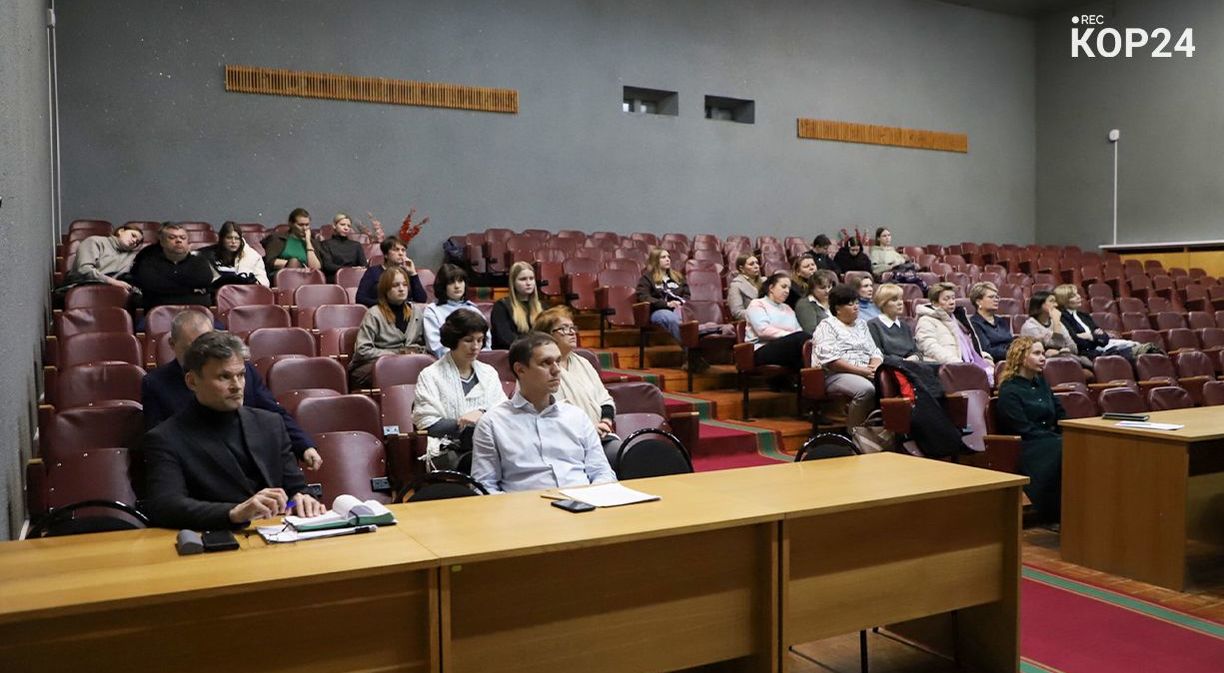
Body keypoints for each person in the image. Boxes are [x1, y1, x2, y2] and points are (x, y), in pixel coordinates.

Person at [143, 330, 327, 530]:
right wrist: (234, 513)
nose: (237, 386)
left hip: (279, 534)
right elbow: (166, 506)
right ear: (192, 381)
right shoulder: (166, 438)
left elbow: (296, 489)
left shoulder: (271, 424)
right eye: (224, 377)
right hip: (214, 538)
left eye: (241, 375)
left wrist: (303, 498)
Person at [142, 310, 322, 469]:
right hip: (197, 468)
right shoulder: (155, 383)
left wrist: (303, 445)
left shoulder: (243, 370)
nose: (200, 353)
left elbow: (272, 411)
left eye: (206, 343)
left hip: (249, 460)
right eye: (192, 347)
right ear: (172, 344)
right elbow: (160, 443)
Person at [471, 333, 617, 494]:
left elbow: (602, 472)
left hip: (585, 503)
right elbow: (484, 486)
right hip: (526, 507)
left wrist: (595, 497)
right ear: (520, 370)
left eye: (558, 361)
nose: (557, 370)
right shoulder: (492, 423)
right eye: (546, 363)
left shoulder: (577, 416)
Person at [413, 310, 508, 471]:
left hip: (489, 444)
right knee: (477, 461)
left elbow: (503, 413)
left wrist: (482, 414)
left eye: (480, 340)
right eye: (468, 340)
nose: (475, 346)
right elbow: (426, 424)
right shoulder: (431, 375)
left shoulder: (489, 372)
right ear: (453, 340)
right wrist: (462, 422)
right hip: (447, 450)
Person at [535, 306, 621, 459]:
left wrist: (605, 422)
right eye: (563, 329)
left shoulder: (584, 363)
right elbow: (550, 414)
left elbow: (604, 399)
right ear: (547, 336)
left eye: (572, 328)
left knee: (631, 452)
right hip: (564, 443)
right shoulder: (540, 369)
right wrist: (587, 430)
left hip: (600, 435)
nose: (572, 332)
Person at [996, 336, 1065, 523]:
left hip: (1050, 439)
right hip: (1027, 445)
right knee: (1063, 447)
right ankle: (1056, 512)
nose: (1043, 358)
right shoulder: (1009, 390)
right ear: (1021, 357)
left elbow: (1060, 413)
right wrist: (1055, 437)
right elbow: (1022, 428)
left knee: (1076, 443)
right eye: (1036, 353)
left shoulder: (1042, 383)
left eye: (1043, 353)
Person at [811, 284, 882, 430]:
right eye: (850, 304)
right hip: (836, 374)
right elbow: (832, 361)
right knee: (866, 389)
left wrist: (875, 366)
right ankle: (855, 432)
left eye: (856, 303)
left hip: (866, 370)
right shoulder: (827, 326)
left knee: (891, 384)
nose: (856, 307)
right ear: (838, 309)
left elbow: (874, 351)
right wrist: (861, 371)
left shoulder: (861, 325)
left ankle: (881, 430)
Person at [349, 266, 429, 388]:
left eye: (404, 285)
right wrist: (396, 354)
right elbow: (362, 350)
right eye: (396, 285)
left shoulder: (416, 312)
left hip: (407, 363)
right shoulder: (374, 314)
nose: (401, 289)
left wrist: (416, 352)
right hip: (374, 365)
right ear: (385, 289)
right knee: (399, 369)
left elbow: (424, 344)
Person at [915, 282, 994, 383]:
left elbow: (968, 347)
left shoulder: (958, 320)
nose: (952, 302)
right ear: (935, 303)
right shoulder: (926, 320)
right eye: (946, 299)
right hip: (947, 370)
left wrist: (984, 356)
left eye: (953, 298)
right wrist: (958, 364)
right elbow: (929, 347)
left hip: (966, 365)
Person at [129, 222, 215, 313]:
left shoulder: (199, 261)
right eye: (172, 237)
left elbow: (205, 280)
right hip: (159, 314)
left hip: (197, 314)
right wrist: (191, 290)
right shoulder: (149, 261)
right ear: (162, 242)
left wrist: (165, 290)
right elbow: (151, 284)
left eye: (183, 238)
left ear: (188, 242)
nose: (178, 240)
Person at [423, 263, 492, 358]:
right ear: (443, 286)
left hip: (477, 361)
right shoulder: (432, 311)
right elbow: (436, 347)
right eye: (451, 282)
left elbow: (486, 344)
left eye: (460, 281)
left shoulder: (474, 310)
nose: (457, 286)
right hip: (447, 362)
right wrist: (461, 359)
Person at [745, 272, 809, 374]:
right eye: (783, 287)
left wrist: (793, 337)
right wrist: (790, 336)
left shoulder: (787, 308)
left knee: (808, 346)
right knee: (801, 338)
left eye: (788, 288)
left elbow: (798, 330)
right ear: (771, 288)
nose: (787, 291)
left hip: (786, 349)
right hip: (760, 350)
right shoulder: (757, 304)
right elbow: (763, 331)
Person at [1054, 283, 1120, 360]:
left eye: (1077, 294)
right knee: (1126, 350)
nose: (1078, 297)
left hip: (1100, 347)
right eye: (1073, 296)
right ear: (1063, 300)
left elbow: (1104, 338)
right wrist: (1095, 338)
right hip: (1088, 352)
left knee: (1131, 346)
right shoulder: (1061, 317)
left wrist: (1090, 337)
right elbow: (1075, 340)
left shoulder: (1084, 315)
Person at [636, 248, 689, 342]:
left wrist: (681, 303)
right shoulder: (647, 278)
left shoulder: (678, 277)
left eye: (668, 257)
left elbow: (686, 294)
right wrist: (666, 304)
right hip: (660, 311)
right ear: (655, 260)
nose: (667, 259)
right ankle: (684, 347)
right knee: (671, 319)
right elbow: (643, 297)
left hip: (680, 309)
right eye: (663, 257)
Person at [355, 236, 426, 307]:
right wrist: (389, 304)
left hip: (404, 311)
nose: (401, 253)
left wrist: (413, 274)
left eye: (403, 250)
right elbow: (360, 299)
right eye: (396, 250)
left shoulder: (406, 272)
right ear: (386, 255)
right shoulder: (373, 272)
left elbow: (421, 299)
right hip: (381, 310)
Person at [66, 223, 143, 288]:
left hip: (114, 292)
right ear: (121, 231)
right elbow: (84, 270)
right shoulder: (94, 241)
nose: (134, 241)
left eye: (137, 242)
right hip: (82, 288)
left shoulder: (132, 257)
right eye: (133, 235)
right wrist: (112, 282)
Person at [491, 261, 544, 349]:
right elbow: (505, 338)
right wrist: (532, 348)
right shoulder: (501, 306)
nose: (528, 283)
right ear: (513, 282)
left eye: (531, 278)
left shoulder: (543, 307)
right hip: (513, 352)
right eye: (523, 279)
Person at [261, 207, 323, 282]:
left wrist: (308, 242)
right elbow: (271, 261)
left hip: (308, 278)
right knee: (294, 262)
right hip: (282, 276)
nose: (304, 228)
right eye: (300, 225)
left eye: (307, 225)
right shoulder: (278, 239)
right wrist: (298, 265)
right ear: (291, 224)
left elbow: (316, 268)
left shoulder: (313, 242)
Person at [199, 221, 269, 287]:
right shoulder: (209, 255)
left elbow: (264, 284)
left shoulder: (252, 257)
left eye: (237, 238)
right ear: (222, 239)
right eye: (229, 238)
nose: (233, 242)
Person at [867, 283, 921, 360]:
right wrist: (902, 361)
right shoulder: (873, 325)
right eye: (894, 300)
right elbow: (877, 355)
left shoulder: (904, 326)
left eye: (901, 299)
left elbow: (916, 352)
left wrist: (915, 357)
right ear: (883, 303)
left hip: (910, 364)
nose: (900, 303)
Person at [1020, 290, 1077, 359]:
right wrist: (1056, 323)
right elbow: (1056, 345)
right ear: (1039, 305)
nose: (1056, 305)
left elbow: (1073, 347)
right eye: (1051, 301)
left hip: (1065, 360)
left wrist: (1063, 351)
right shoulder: (1029, 327)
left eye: (1055, 301)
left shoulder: (1057, 323)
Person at [968, 281, 1013, 363]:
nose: (996, 300)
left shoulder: (1001, 321)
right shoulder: (974, 323)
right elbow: (986, 350)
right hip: (992, 363)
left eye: (997, 297)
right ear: (978, 302)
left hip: (1011, 359)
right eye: (991, 297)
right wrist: (1012, 353)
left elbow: (1011, 343)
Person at [318, 212, 367, 283]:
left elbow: (363, 265)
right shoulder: (325, 244)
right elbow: (328, 266)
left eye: (348, 226)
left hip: (354, 278)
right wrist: (350, 269)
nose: (346, 228)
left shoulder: (356, 245)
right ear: (334, 226)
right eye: (342, 224)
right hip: (334, 279)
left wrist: (353, 270)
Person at [795, 269, 836, 334]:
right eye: (822, 288)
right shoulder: (804, 304)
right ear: (812, 289)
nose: (827, 291)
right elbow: (810, 331)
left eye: (829, 287)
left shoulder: (835, 300)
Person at [726, 253, 762, 321]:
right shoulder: (735, 285)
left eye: (757, 263)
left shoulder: (765, 281)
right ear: (741, 268)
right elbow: (737, 312)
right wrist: (759, 314)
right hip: (753, 322)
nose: (756, 266)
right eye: (751, 264)